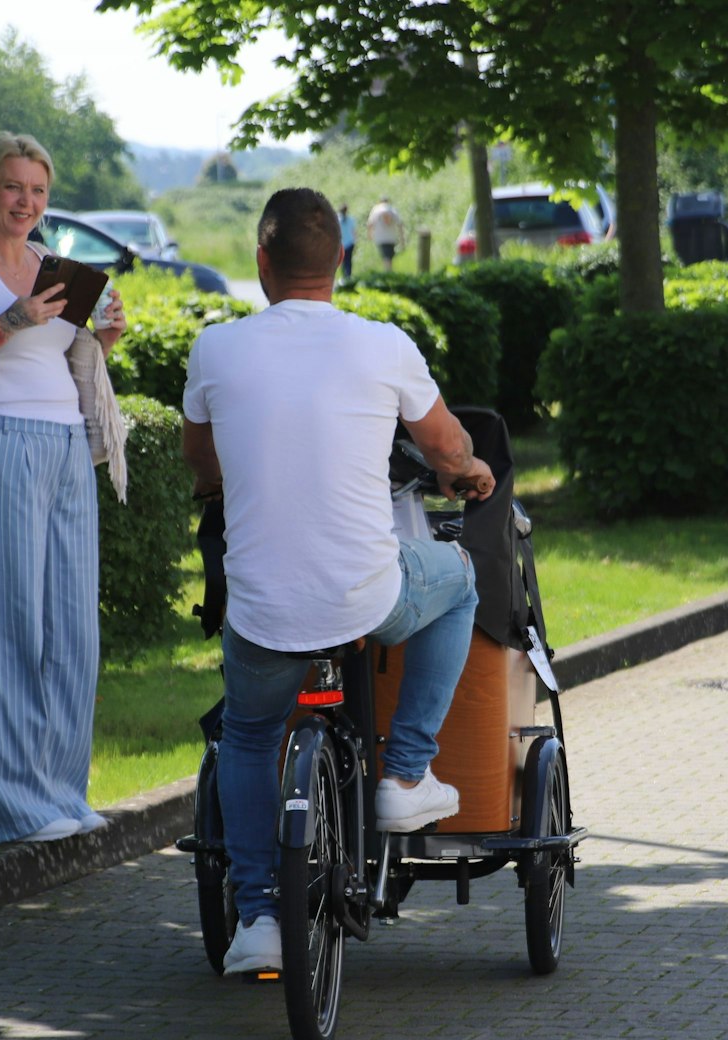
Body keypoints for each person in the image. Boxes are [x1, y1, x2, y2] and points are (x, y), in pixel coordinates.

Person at [181, 187, 495, 974]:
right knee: (457, 575)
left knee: (250, 735)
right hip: (368, 595)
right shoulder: (383, 345)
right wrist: (469, 473)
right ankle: (406, 772)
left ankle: (257, 917)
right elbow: (448, 446)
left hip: (260, 610)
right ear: (343, 262)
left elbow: (202, 465)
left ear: (261, 264)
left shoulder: (216, 349)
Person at [0, 133, 126, 845]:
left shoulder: (50, 264)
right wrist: (13, 319)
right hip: (2, 442)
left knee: (71, 629)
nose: (26, 203)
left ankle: (62, 791)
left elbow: (64, 362)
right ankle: (13, 806)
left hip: (67, 444)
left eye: (37, 192)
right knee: (11, 624)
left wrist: (105, 341)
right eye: (14, 188)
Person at [365, 196, 406, 268]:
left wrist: (370, 235)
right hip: (391, 237)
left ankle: (387, 272)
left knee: (386, 256)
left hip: (380, 237)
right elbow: (400, 224)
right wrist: (402, 238)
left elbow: (370, 224)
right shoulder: (392, 209)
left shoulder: (376, 209)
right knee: (389, 256)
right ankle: (388, 272)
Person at [337, 203, 357, 281]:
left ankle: (344, 276)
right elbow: (354, 232)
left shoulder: (337, 219)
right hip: (350, 242)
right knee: (349, 260)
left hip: (341, 243)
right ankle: (348, 276)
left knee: (342, 260)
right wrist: (355, 241)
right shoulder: (351, 219)